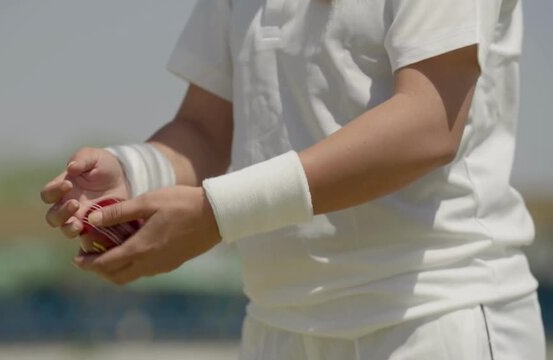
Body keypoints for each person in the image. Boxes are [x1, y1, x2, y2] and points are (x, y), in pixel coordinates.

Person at [41, 0, 546, 358]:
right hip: (275, 323)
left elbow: (429, 123)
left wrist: (219, 214)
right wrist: (131, 177)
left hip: (431, 318)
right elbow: (206, 128)